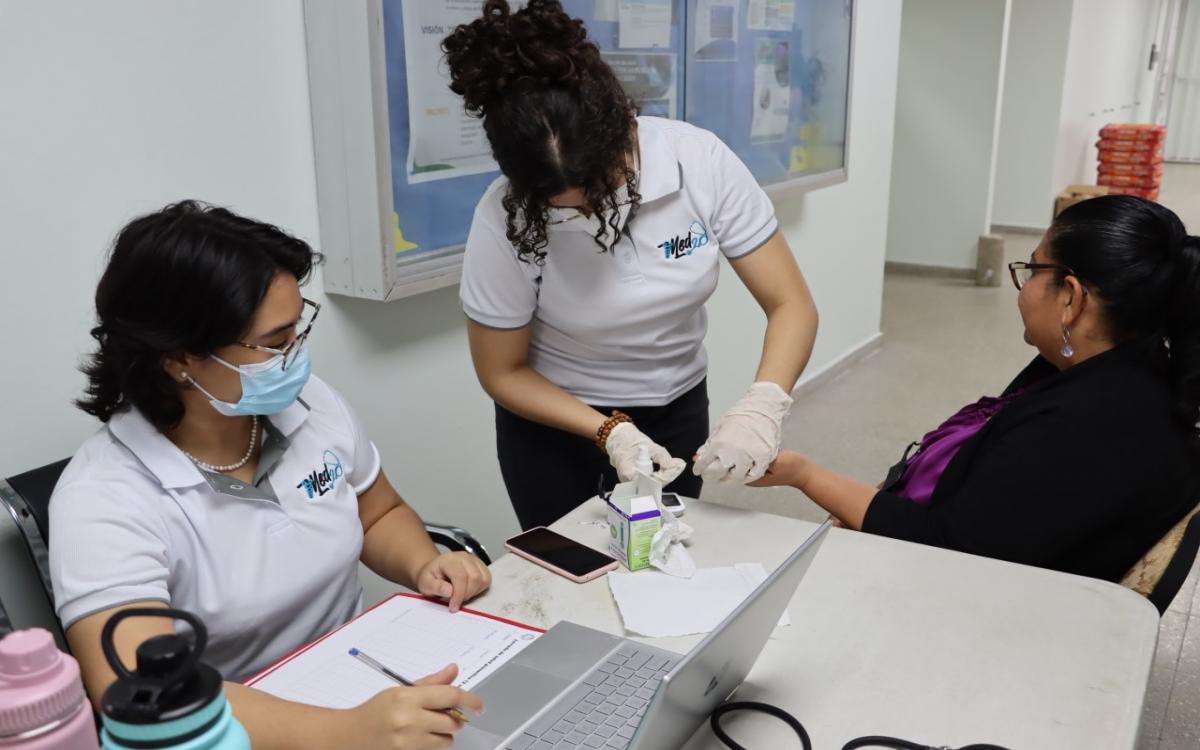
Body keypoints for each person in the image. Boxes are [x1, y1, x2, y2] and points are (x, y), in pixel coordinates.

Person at [50, 201, 490, 750]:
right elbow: (149, 696)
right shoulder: (103, 500)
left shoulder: (309, 404)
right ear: (179, 358)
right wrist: (349, 732)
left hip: (366, 677)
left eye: (296, 331)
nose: (296, 358)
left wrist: (426, 563)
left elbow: (378, 512)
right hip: (244, 733)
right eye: (275, 344)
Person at [443, 0, 819, 530]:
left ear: (623, 129)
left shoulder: (698, 162)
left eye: (599, 190)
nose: (591, 212)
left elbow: (791, 304)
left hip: (678, 404)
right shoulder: (504, 218)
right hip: (556, 424)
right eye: (566, 206)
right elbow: (502, 371)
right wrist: (608, 430)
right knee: (570, 576)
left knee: (667, 558)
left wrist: (764, 402)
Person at [753, 195, 1200, 582]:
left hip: (991, 602)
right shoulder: (1124, 366)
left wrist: (804, 476)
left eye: (1031, 270)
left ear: (1071, 297)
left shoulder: (1085, 427)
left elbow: (947, 546)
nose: (1022, 290)